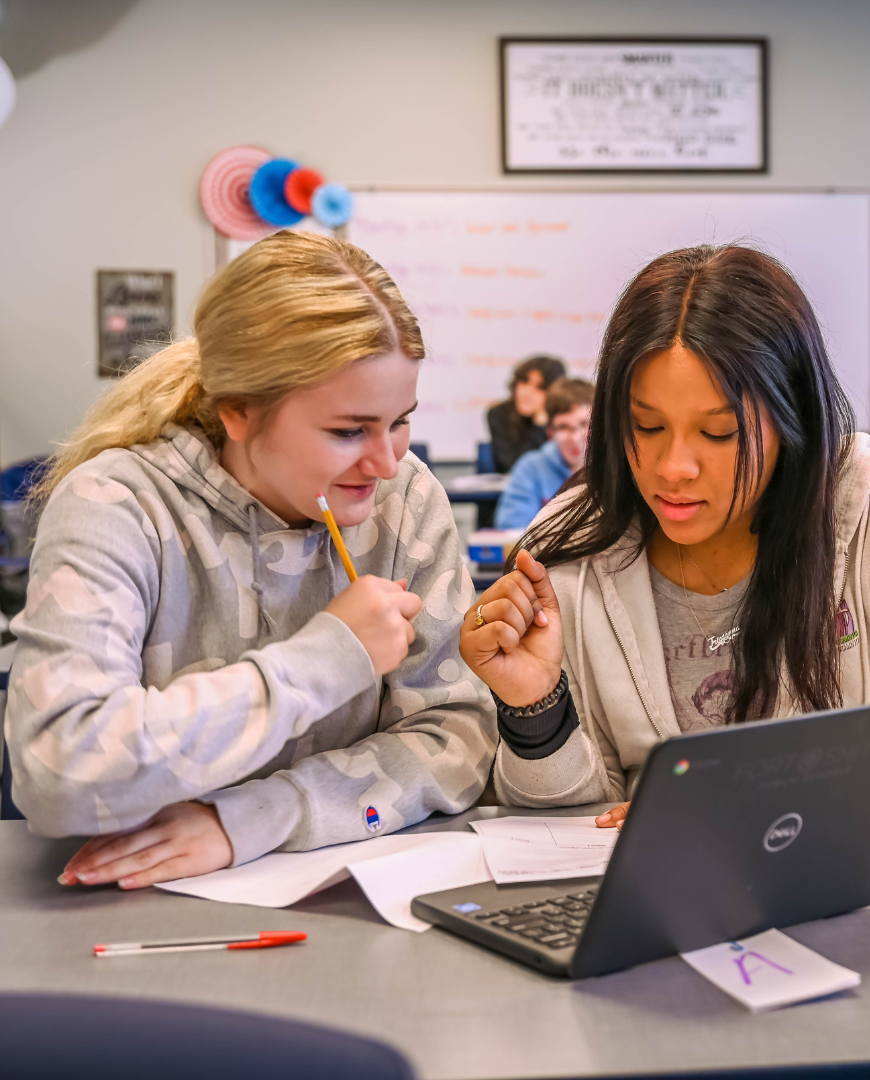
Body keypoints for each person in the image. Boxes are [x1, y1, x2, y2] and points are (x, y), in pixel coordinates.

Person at [459, 244, 870, 825]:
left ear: (793, 419)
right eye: (645, 427)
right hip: (636, 914)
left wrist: (785, 785)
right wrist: (534, 710)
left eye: (720, 433)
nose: (674, 467)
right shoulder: (571, 542)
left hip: (851, 894)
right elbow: (555, 824)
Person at [5, 230, 496, 889]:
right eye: (348, 430)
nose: (386, 462)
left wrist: (251, 819)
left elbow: (457, 741)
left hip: (345, 904)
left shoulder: (404, 499)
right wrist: (330, 657)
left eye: (400, 420)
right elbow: (59, 770)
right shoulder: (117, 503)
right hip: (130, 906)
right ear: (238, 411)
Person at [494, 378, 594, 530]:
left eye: (584, 424)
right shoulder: (530, 468)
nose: (574, 437)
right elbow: (511, 529)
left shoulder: (616, 467)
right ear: (550, 432)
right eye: (563, 427)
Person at [486, 355, 567, 474]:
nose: (527, 392)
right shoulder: (499, 413)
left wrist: (543, 420)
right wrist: (539, 424)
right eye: (524, 382)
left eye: (540, 387)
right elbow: (513, 465)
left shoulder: (562, 415)